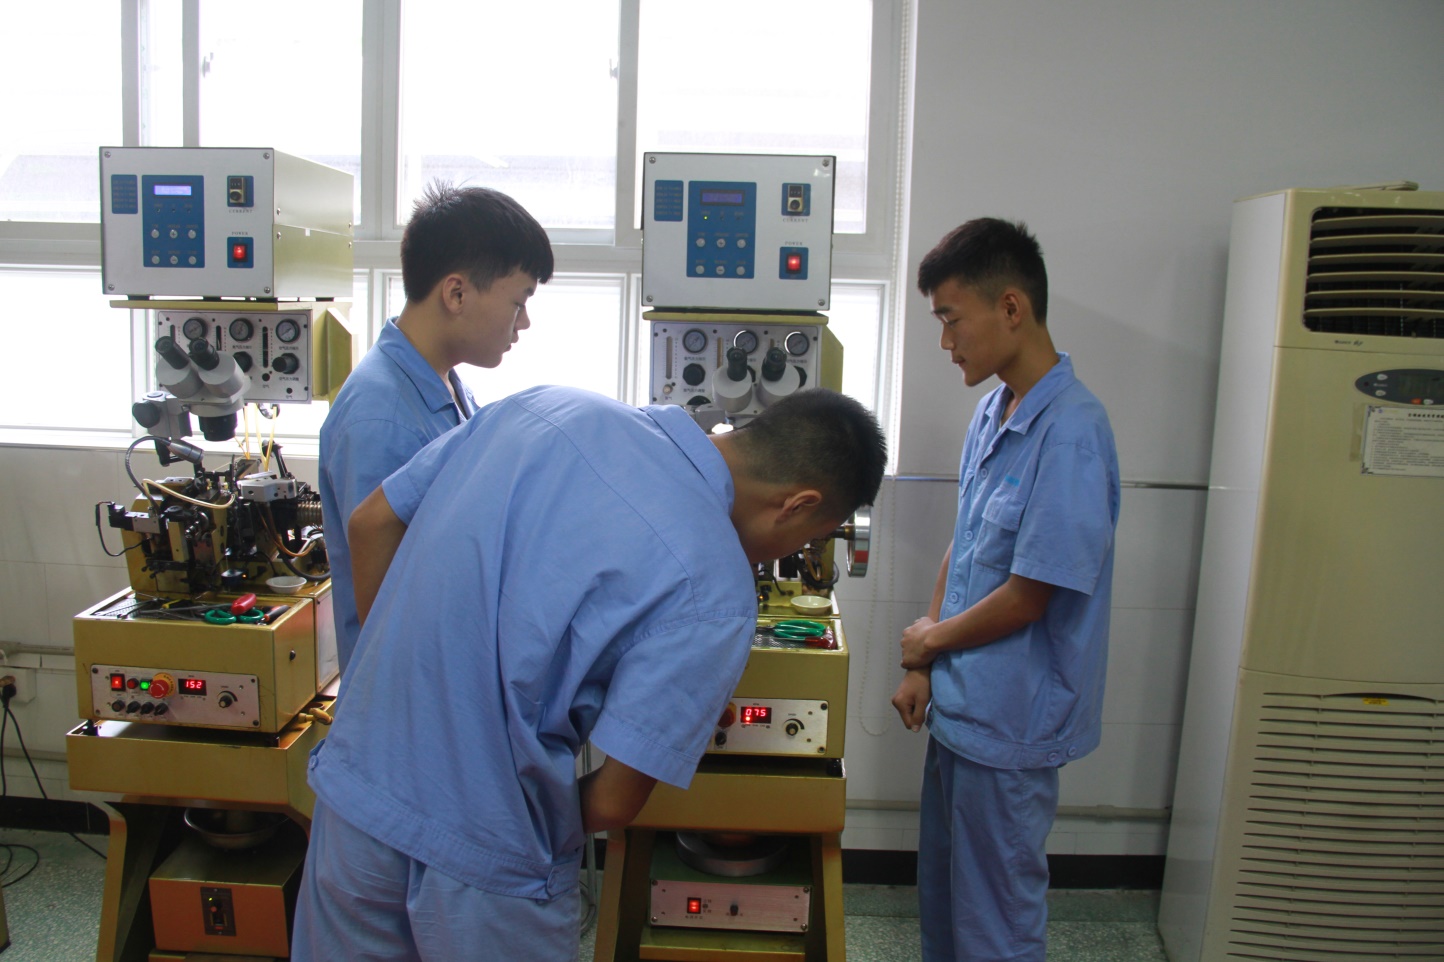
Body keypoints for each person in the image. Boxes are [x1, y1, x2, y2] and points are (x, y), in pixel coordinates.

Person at [292, 384, 887, 962]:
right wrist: (517, 820)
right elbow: (615, 800)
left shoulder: (544, 406)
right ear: (797, 504)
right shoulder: (716, 594)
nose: (783, 556)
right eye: (806, 539)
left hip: (356, 797)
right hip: (488, 869)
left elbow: (373, 522)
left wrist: (390, 685)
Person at [891, 218, 1120, 962]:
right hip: (961, 711)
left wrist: (931, 640)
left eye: (951, 319)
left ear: (1011, 308)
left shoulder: (1073, 431)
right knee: (946, 905)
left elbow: (1031, 595)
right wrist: (924, 662)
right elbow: (966, 543)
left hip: (1011, 726)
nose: (946, 341)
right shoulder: (995, 411)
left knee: (995, 921)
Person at [319, 182, 553, 676]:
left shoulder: (441, 385)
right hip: (408, 698)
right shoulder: (381, 419)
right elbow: (394, 612)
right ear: (456, 293)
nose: (525, 323)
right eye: (519, 302)